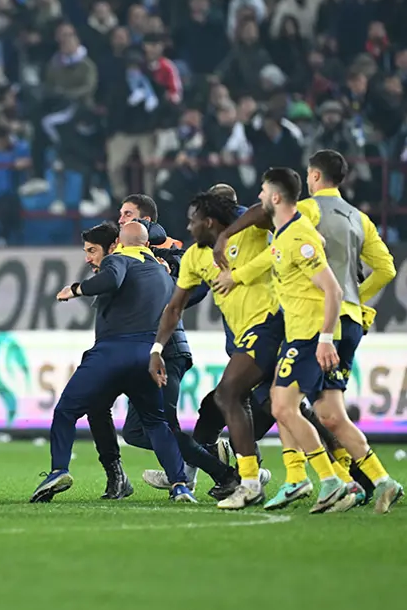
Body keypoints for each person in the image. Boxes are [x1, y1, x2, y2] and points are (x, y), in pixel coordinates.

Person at [214, 152, 402, 513]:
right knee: (329, 412)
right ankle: (379, 480)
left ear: (313, 176)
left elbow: (281, 249)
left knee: (282, 403)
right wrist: (355, 298)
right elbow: (386, 269)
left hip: (313, 322)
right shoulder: (359, 218)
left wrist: (234, 266)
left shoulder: (308, 213)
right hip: (348, 319)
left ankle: (317, 479)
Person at [31, 221, 196, 504]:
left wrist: (76, 288)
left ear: (118, 243)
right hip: (146, 355)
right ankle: (180, 484)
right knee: (157, 423)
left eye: (92, 251)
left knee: (66, 411)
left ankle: (59, 470)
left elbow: (111, 280)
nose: (89, 257)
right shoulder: (162, 272)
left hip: (111, 353)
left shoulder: (118, 260)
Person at [150, 191, 281, 509]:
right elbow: (175, 307)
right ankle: (354, 476)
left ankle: (248, 480)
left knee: (229, 396)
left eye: (192, 221)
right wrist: (156, 348)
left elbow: (268, 209)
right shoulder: (195, 257)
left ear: (208, 221)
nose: (188, 227)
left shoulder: (250, 233)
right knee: (272, 405)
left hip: (273, 325)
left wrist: (226, 236)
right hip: (245, 338)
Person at [240, 167, 351, 513]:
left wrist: (325, 339)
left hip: (309, 336)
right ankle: (298, 478)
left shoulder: (299, 237)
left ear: (275, 197)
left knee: (283, 407)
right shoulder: (284, 235)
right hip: (297, 333)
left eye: (262, 192)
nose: (258, 198)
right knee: (280, 405)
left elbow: (333, 289)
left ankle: (330, 480)